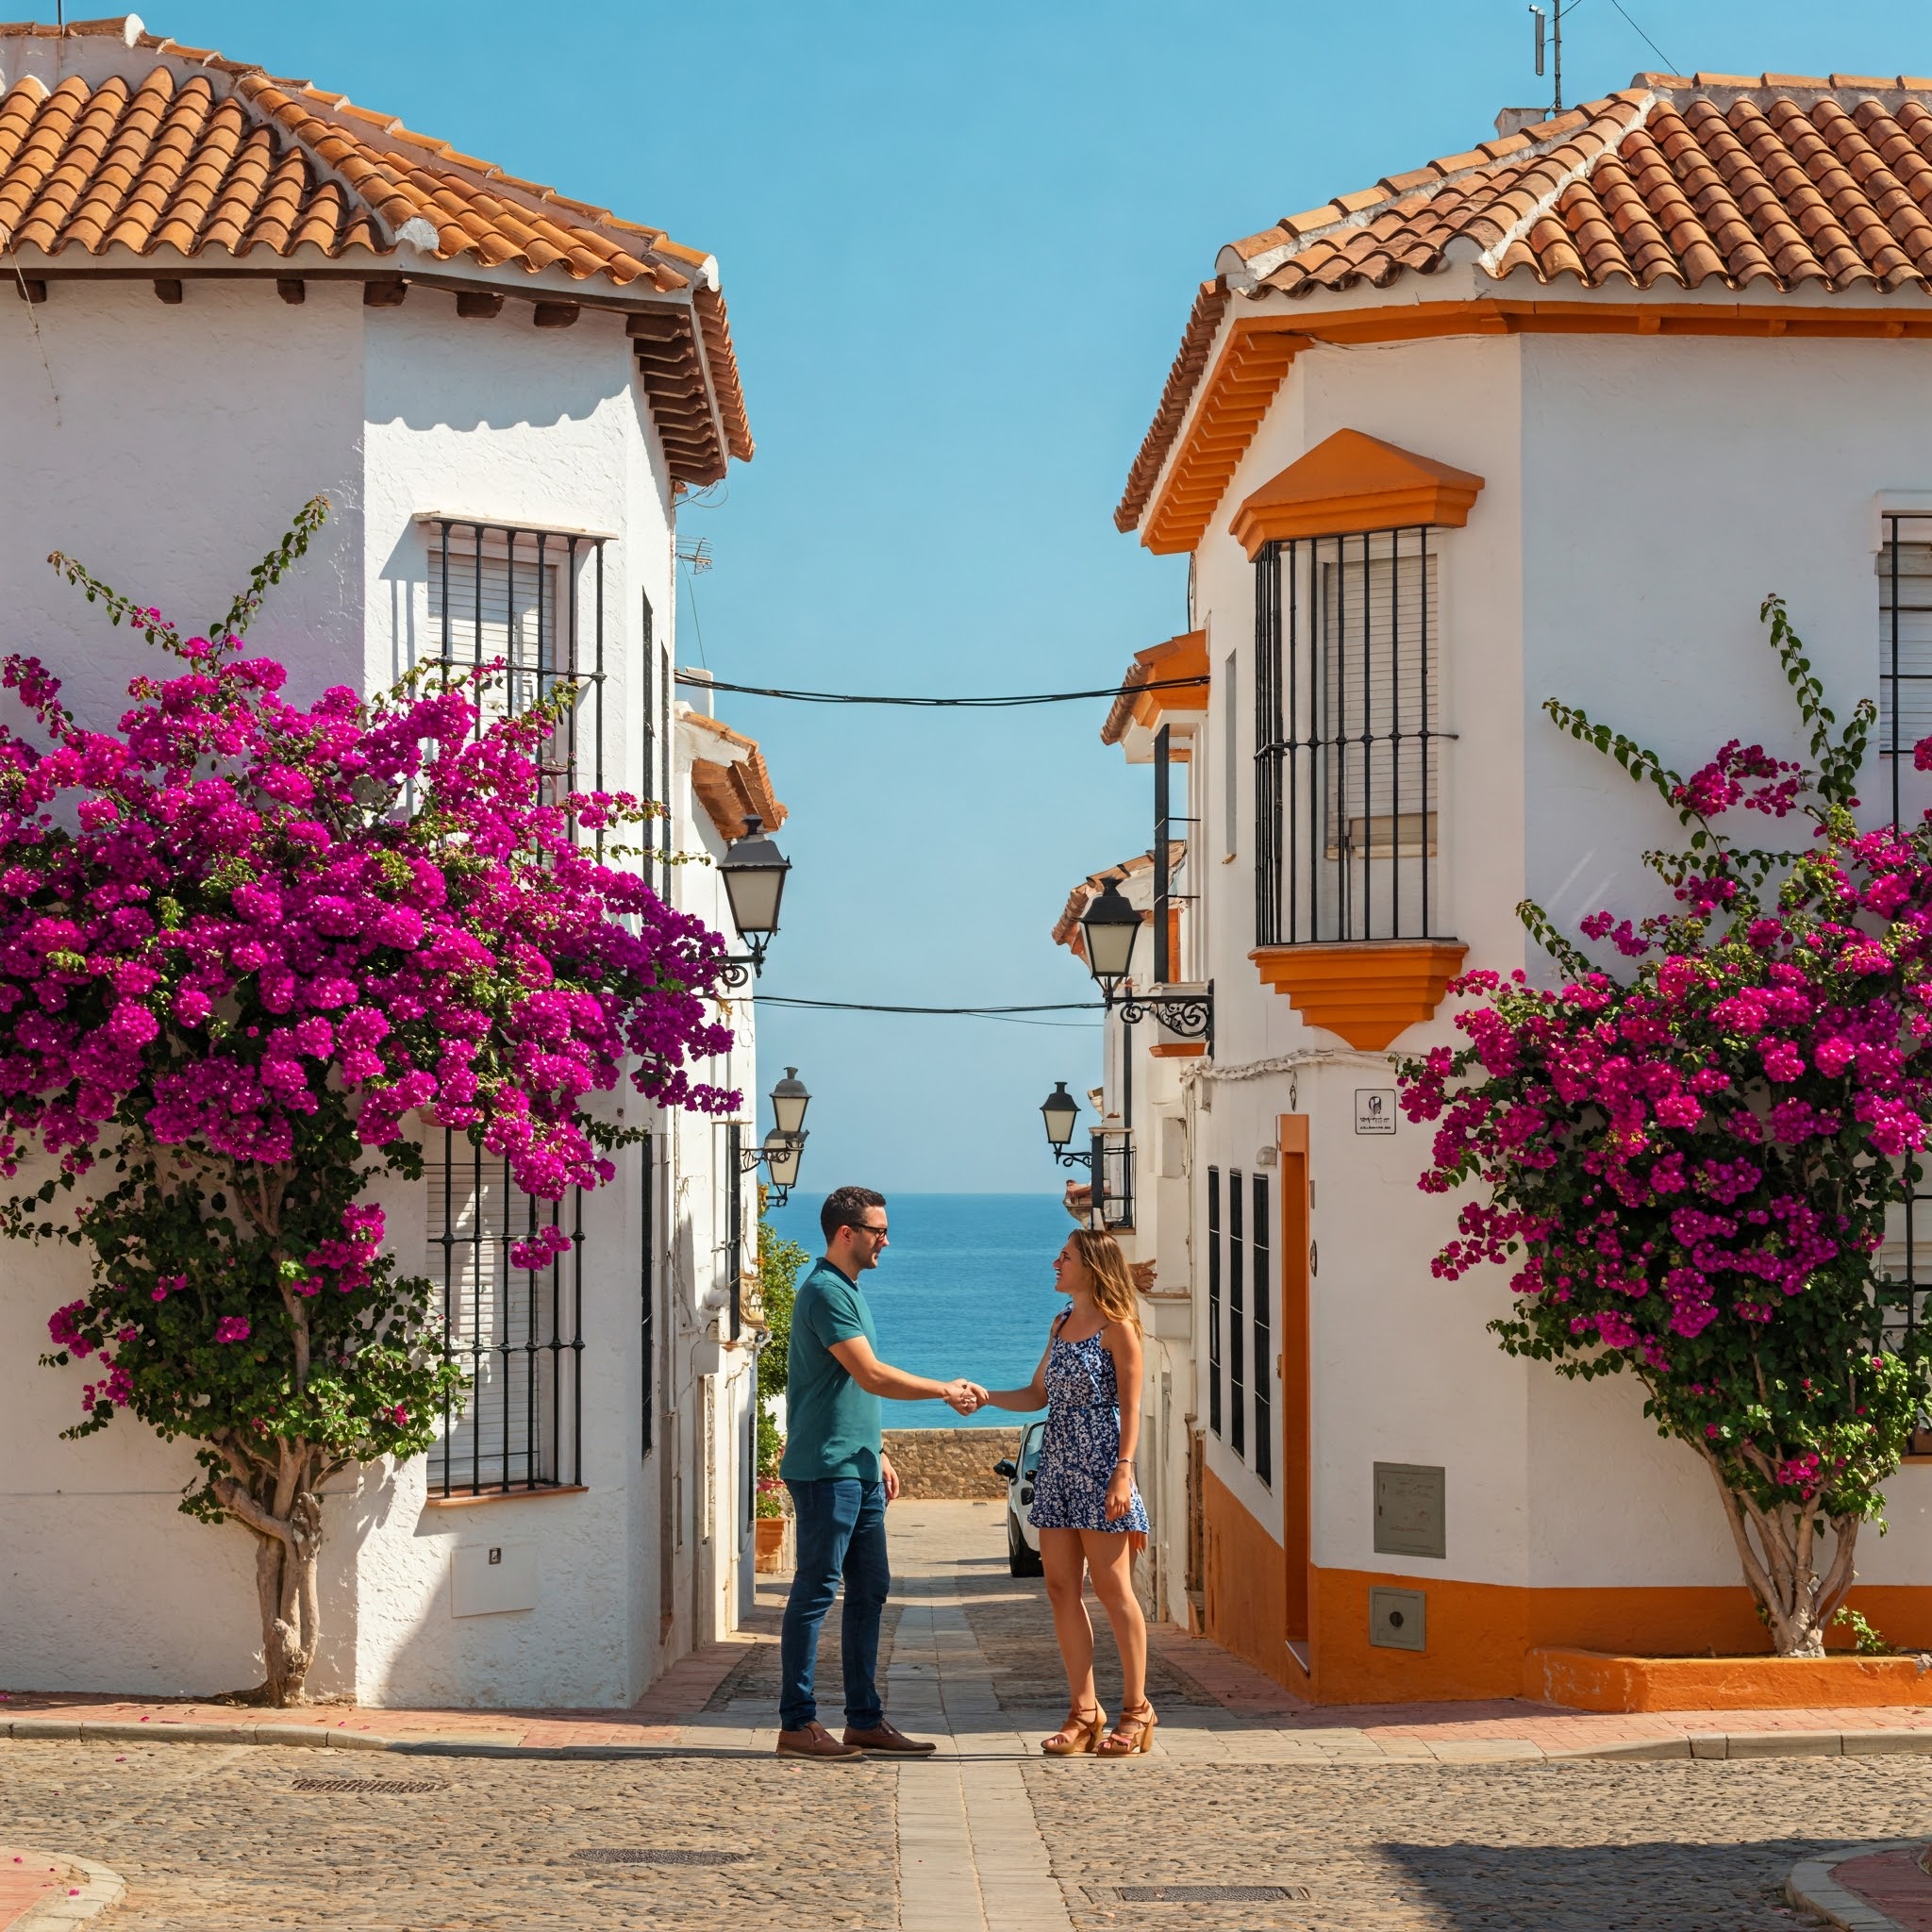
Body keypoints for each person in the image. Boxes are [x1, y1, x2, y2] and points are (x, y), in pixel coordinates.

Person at [776, 1184, 987, 1759]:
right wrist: (944, 1389)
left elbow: (846, 1389)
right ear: (847, 1233)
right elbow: (870, 1374)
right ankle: (796, 1723)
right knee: (816, 1591)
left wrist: (880, 1448)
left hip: (858, 1464)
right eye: (877, 1231)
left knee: (870, 1589)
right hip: (827, 1471)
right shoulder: (824, 1292)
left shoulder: (848, 1290)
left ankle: (864, 1719)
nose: (885, 1241)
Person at [977, 1226, 1154, 1757]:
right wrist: (985, 1397)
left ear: (1091, 1265)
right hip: (1057, 1466)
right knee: (1059, 1588)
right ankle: (1084, 1710)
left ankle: (1137, 1710)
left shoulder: (1119, 1328)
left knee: (1113, 1590)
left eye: (1065, 1256)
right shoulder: (1060, 1325)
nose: (1056, 1263)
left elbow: (1132, 1404)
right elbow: (1037, 1393)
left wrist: (1123, 1470)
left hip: (1101, 1464)